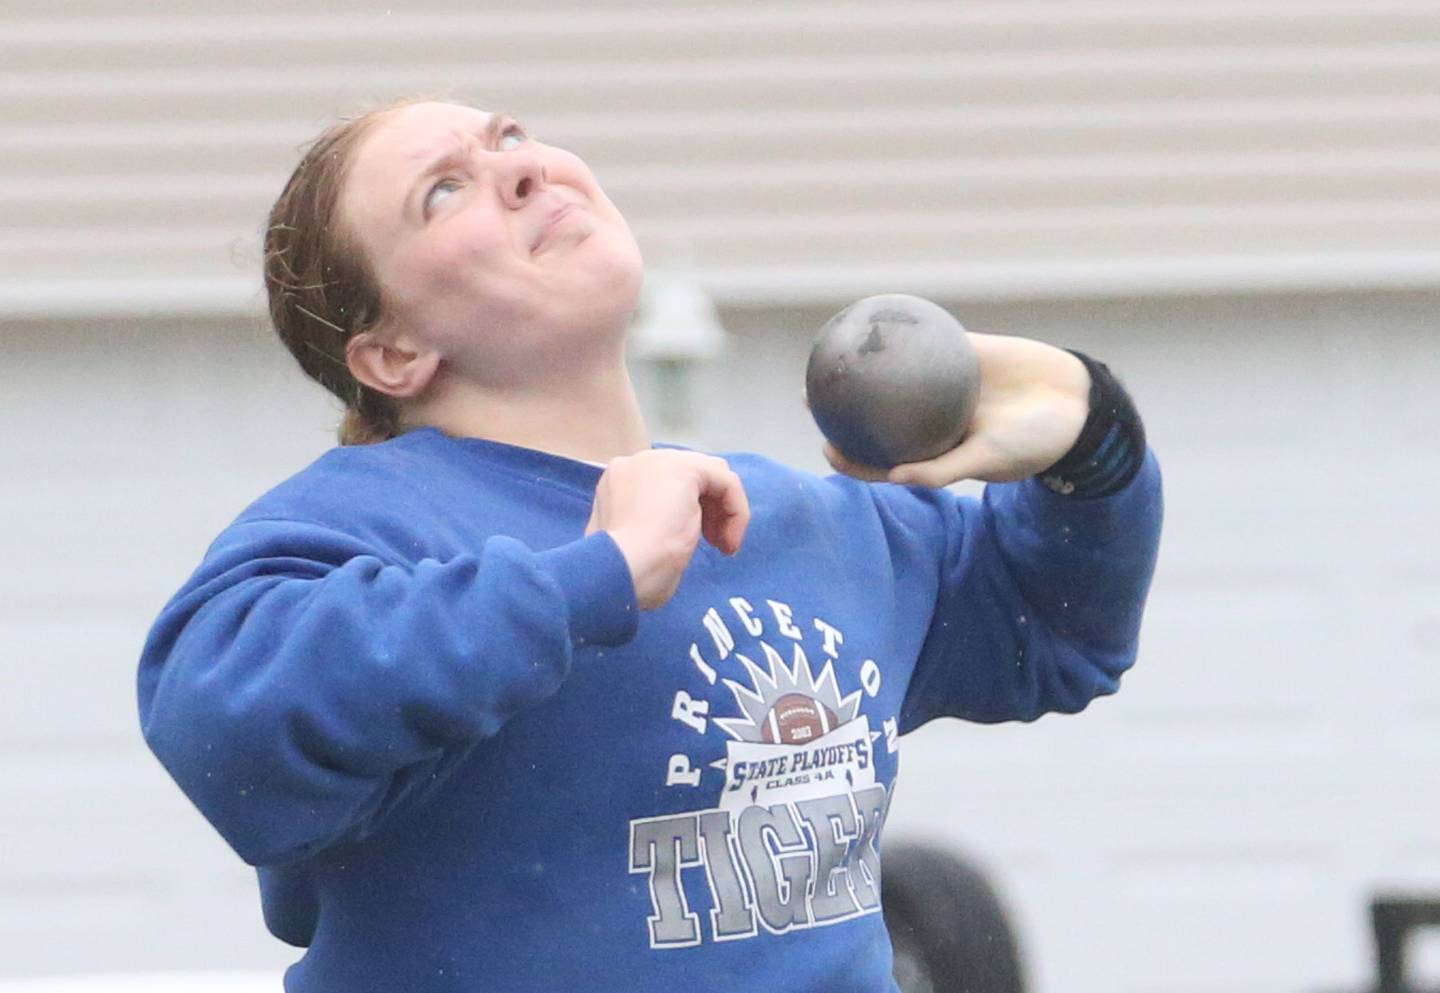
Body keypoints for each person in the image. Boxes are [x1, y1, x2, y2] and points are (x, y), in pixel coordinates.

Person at [136, 98, 1163, 993]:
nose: (525, 167)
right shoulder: (368, 526)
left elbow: (1052, 633)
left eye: (513, 140)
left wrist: (1095, 448)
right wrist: (594, 577)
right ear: (393, 353)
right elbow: (223, 724)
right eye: (444, 192)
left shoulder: (796, 520)